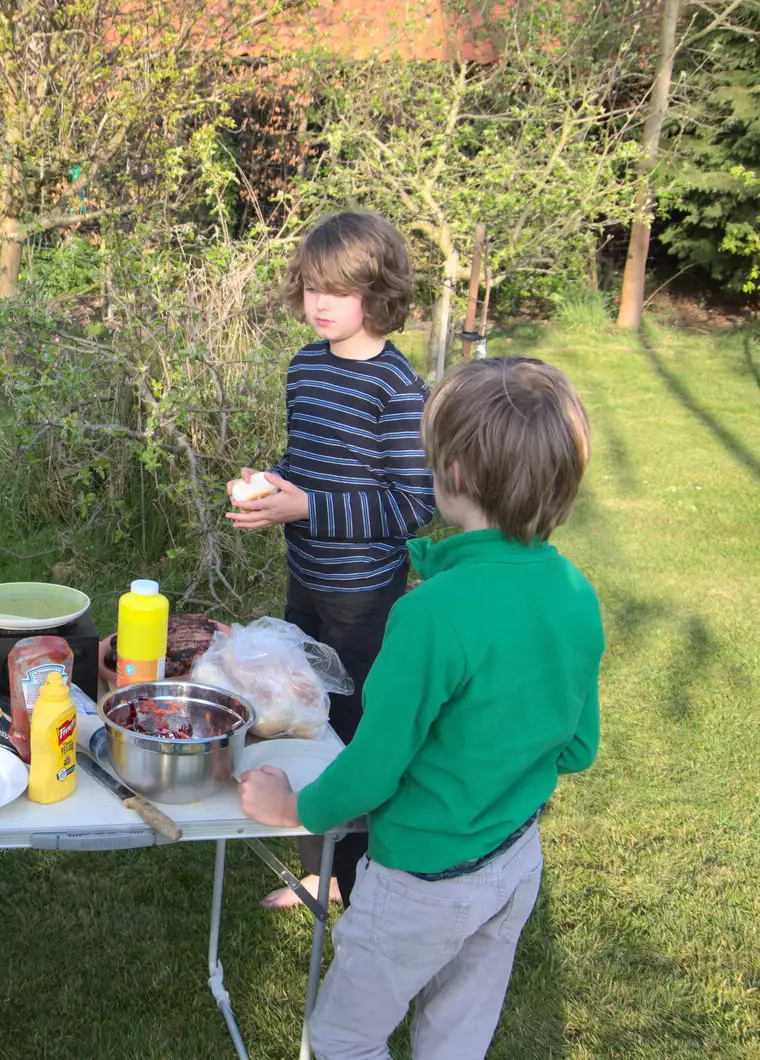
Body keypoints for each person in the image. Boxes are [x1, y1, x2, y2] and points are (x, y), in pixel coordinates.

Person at [239, 356, 604, 1059]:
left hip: (418, 881)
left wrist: (293, 810)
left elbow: (373, 769)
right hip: (514, 861)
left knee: (344, 1039)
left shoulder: (429, 614)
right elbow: (578, 747)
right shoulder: (574, 590)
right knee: (455, 1039)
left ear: (454, 476)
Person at [226, 211, 435, 907]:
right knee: (303, 713)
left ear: (378, 294)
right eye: (312, 286)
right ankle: (318, 856)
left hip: (363, 600)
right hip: (307, 581)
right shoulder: (307, 366)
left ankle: (348, 874)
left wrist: (308, 508)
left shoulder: (397, 388)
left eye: (338, 290)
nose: (319, 303)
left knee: (350, 734)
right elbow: (307, 464)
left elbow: (411, 505)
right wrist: (272, 491)